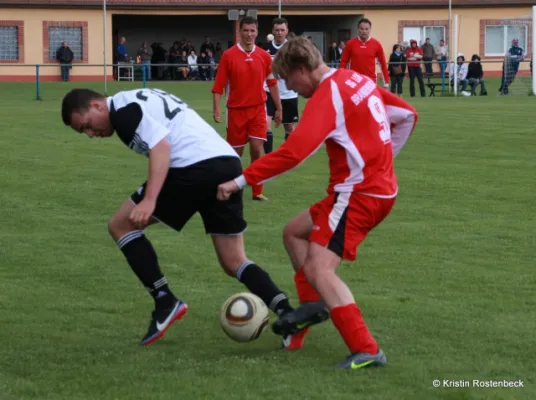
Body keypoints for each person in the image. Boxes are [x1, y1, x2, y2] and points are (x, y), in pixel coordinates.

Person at [60, 87, 327, 346]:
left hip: (193, 167)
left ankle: (165, 301)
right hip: (225, 163)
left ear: (96, 105)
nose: (90, 133)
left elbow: (161, 148)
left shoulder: (121, 111)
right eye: (83, 132)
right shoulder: (133, 99)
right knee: (233, 260)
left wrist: (150, 200)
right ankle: (286, 312)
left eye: (85, 125)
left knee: (120, 226)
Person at [217, 36, 418, 369]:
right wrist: (383, 163)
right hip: (370, 189)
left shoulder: (329, 94)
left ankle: (366, 349)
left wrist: (239, 181)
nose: (289, 86)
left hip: (359, 194)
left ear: (301, 69)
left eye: (287, 79)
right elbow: (407, 115)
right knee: (294, 233)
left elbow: (294, 152)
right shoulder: (355, 79)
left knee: (318, 270)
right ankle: (307, 315)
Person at [212, 16, 282, 201]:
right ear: (240, 32)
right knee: (236, 155)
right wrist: (216, 107)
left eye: (252, 31)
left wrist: (279, 108)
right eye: (246, 30)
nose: (249, 34)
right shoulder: (228, 55)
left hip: (259, 109)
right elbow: (219, 84)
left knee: (256, 149)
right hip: (236, 111)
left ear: (257, 32)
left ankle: (257, 191)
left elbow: (272, 82)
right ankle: (232, 187)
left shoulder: (264, 56)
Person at [263, 17, 300, 154]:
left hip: (288, 94)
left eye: (282, 30)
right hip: (268, 92)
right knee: (265, 125)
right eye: (277, 30)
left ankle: (288, 156)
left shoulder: (292, 49)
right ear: (273, 31)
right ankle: (269, 157)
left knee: (289, 128)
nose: (279, 33)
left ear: (287, 31)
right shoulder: (265, 49)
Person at [339, 18, 389, 89]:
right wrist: (341, 79)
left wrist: (386, 82)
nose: (364, 31)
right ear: (358, 29)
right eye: (362, 29)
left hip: (370, 82)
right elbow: (343, 62)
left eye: (366, 29)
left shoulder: (376, 44)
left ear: (370, 29)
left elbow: (383, 63)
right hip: (354, 81)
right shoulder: (350, 43)